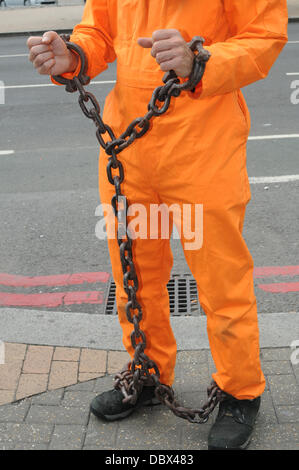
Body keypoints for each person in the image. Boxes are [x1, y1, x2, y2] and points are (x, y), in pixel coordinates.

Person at [27, 0, 288, 450]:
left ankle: (240, 390)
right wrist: (73, 55)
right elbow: (101, 33)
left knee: (221, 281)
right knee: (135, 277)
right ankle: (147, 372)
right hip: (130, 148)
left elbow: (263, 37)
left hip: (205, 148)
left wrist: (199, 60)